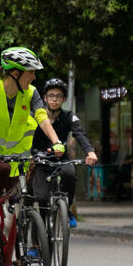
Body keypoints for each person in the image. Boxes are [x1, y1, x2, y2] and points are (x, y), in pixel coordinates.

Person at [0, 47, 65, 240]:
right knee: (1, 170)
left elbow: (42, 118)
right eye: (31, 72)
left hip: (16, 156)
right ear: (15, 73)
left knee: (18, 202)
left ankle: (20, 262)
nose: (34, 78)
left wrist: (57, 142)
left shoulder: (32, 93)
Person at [30, 78, 98, 227]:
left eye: (58, 96)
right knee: (41, 199)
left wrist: (90, 152)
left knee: (69, 174)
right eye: (51, 95)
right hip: (39, 160)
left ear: (64, 99)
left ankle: (66, 211)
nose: (54, 99)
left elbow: (79, 134)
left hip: (61, 159)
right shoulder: (35, 117)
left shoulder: (69, 116)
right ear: (45, 98)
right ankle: (35, 245)